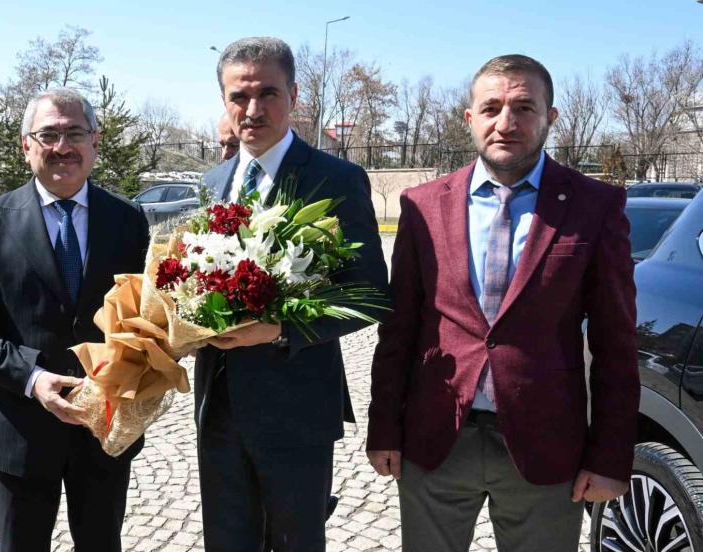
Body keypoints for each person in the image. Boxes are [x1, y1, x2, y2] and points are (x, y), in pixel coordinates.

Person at [366, 54, 638, 552]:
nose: (506, 122)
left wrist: (610, 456)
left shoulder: (595, 206)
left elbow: (615, 344)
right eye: (491, 108)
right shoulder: (422, 205)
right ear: (470, 117)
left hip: (546, 445)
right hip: (437, 439)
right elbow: (398, 328)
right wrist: (384, 426)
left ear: (551, 117)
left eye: (524, 107)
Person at [195, 37, 388, 551]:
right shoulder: (212, 182)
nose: (252, 110)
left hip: (297, 409)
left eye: (268, 93)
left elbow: (369, 294)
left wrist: (280, 329)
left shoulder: (336, 178)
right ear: (223, 100)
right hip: (218, 408)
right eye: (239, 96)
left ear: (294, 95)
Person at [0, 88, 149, 552]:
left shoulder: (128, 219)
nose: (62, 146)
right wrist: (32, 378)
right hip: (21, 431)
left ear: (95, 141)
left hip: (104, 429)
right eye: (48, 134)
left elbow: (143, 317)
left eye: (75, 133)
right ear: (26, 145)